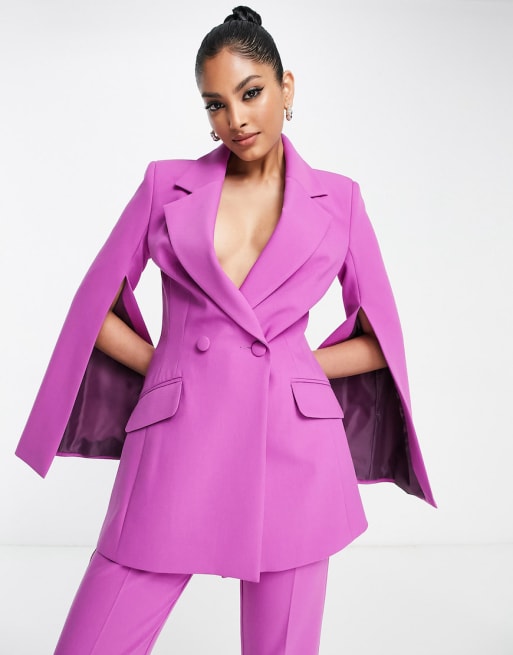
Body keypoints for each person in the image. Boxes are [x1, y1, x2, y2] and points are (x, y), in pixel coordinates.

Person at [15, 6, 435, 654]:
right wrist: (168, 363)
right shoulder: (166, 185)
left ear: (286, 87)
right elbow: (94, 306)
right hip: (177, 437)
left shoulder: (340, 200)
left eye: (250, 92)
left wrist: (291, 364)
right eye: (215, 104)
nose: (235, 119)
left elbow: (382, 340)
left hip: (293, 449)